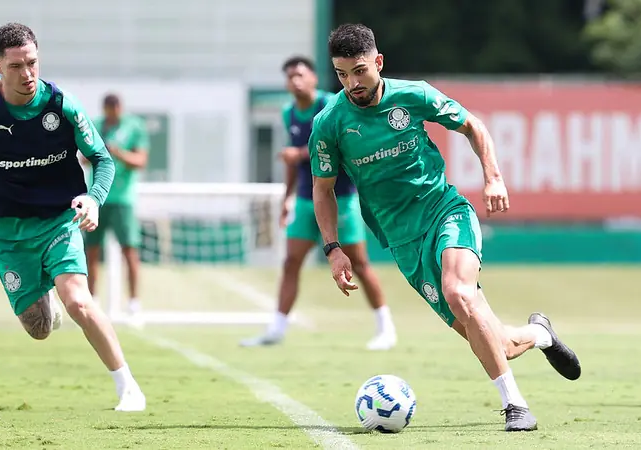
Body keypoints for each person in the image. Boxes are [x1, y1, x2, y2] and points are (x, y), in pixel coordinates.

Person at [309, 24, 582, 432]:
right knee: (497, 342)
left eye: (360, 71)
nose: (352, 83)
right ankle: (539, 334)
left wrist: (493, 177)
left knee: (458, 293)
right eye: (342, 74)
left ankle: (515, 406)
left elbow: (473, 126)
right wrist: (333, 249)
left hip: (445, 212)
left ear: (378, 62)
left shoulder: (413, 95)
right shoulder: (329, 123)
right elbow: (323, 188)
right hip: (402, 241)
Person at [0, 22, 146, 412]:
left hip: (58, 221)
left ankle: (128, 387)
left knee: (78, 301)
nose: (27, 74)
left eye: (32, 63)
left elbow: (102, 159)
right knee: (39, 329)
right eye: (16, 66)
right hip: (6, 231)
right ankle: (43, 293)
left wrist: (94, 199)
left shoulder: (62, 105)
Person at [241, 56, 397, 350]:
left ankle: (385, 327)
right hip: (305, 199)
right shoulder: (289, 113)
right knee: (291, 262)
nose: (295, 81)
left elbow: (341, 146)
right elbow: (292, 160)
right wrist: (287, 197)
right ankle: (277, 329)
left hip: (340, 197)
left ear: (313, 78)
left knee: (359, 264)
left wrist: (298, 154)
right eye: (290, 77)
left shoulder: (332, 105)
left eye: (300, 75)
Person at [83, 94, 149, 319]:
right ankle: (92, 300)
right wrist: (100, 152)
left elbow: (140, 161)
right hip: (97, 197)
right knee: (91, 250)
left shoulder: (134, 127)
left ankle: (134, 302)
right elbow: (83, 158)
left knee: (129, 250)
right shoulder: (95, 125)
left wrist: (118, 153)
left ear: (120, 108)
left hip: (123, 199)